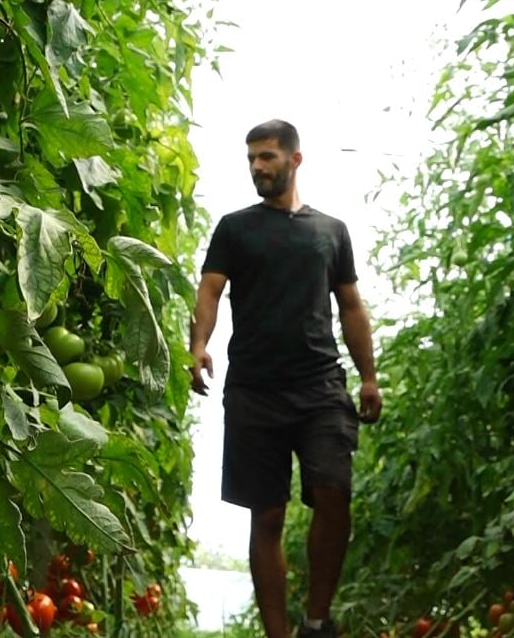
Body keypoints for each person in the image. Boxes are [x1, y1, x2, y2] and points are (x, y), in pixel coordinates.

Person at [189, 119, 382, 638]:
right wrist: (199, 346)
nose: (257, 166)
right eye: (251, 158)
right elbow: (209, 291)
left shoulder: (331, 231)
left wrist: (368, 377)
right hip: (254, 390)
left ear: (295, 160)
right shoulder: (235, 228)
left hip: (320, 385)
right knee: (267, 516)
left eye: (267, 157)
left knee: (334, 492)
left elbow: (351, 306)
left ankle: (316, 621)